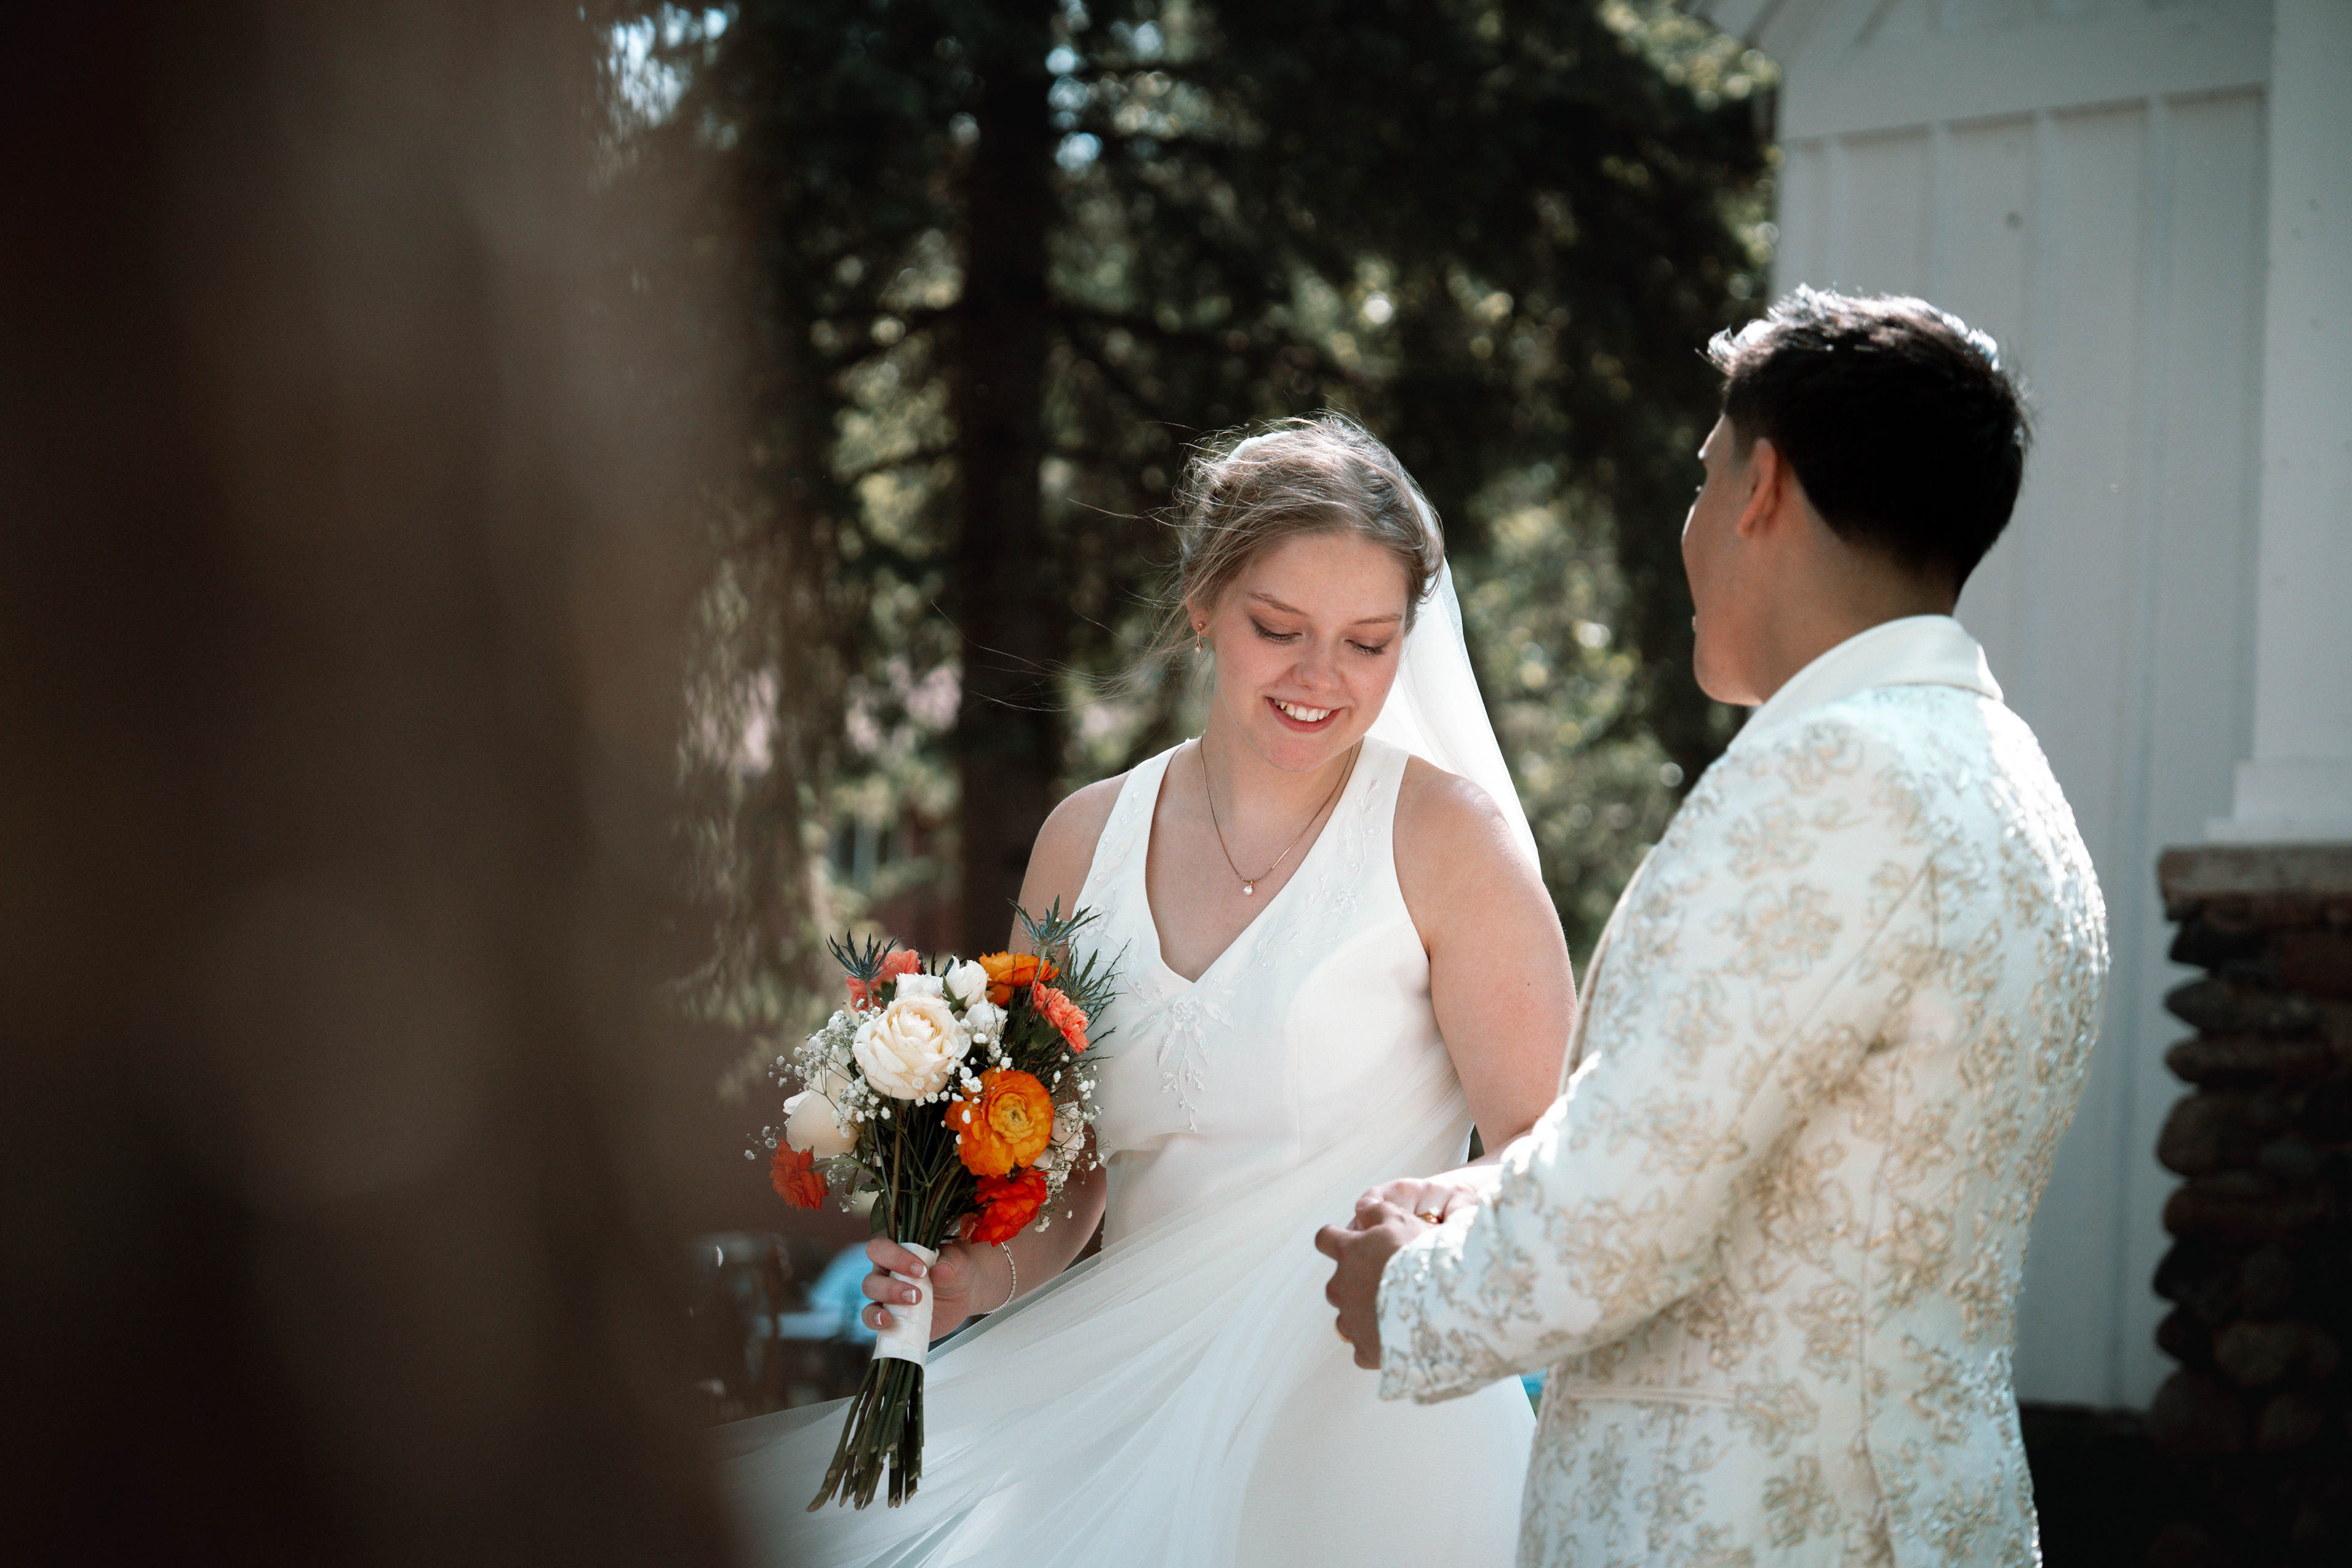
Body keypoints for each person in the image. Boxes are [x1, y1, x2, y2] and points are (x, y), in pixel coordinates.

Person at [1318, 289, 2110, 1566]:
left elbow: (1627, 1218)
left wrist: (1411, 1292)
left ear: (1764, 486)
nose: (1688, 525)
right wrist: (1496, 1188)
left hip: (1745, 1520)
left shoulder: (1830, 779)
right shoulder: (2014, 782)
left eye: (1705, 477)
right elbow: (1773, 1152)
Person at [717, 415, 1577, 1566]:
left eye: (1368, 644)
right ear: (1204, 603)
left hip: (1367, 1433)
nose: (1321, 677)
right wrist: (973, 1277)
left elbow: (1541, 1152)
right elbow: (1065, 1179)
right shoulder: (1084, 841)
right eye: (1279, 629)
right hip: (1125, 1406)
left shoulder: (1449, 843)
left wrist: (1427, 1219)